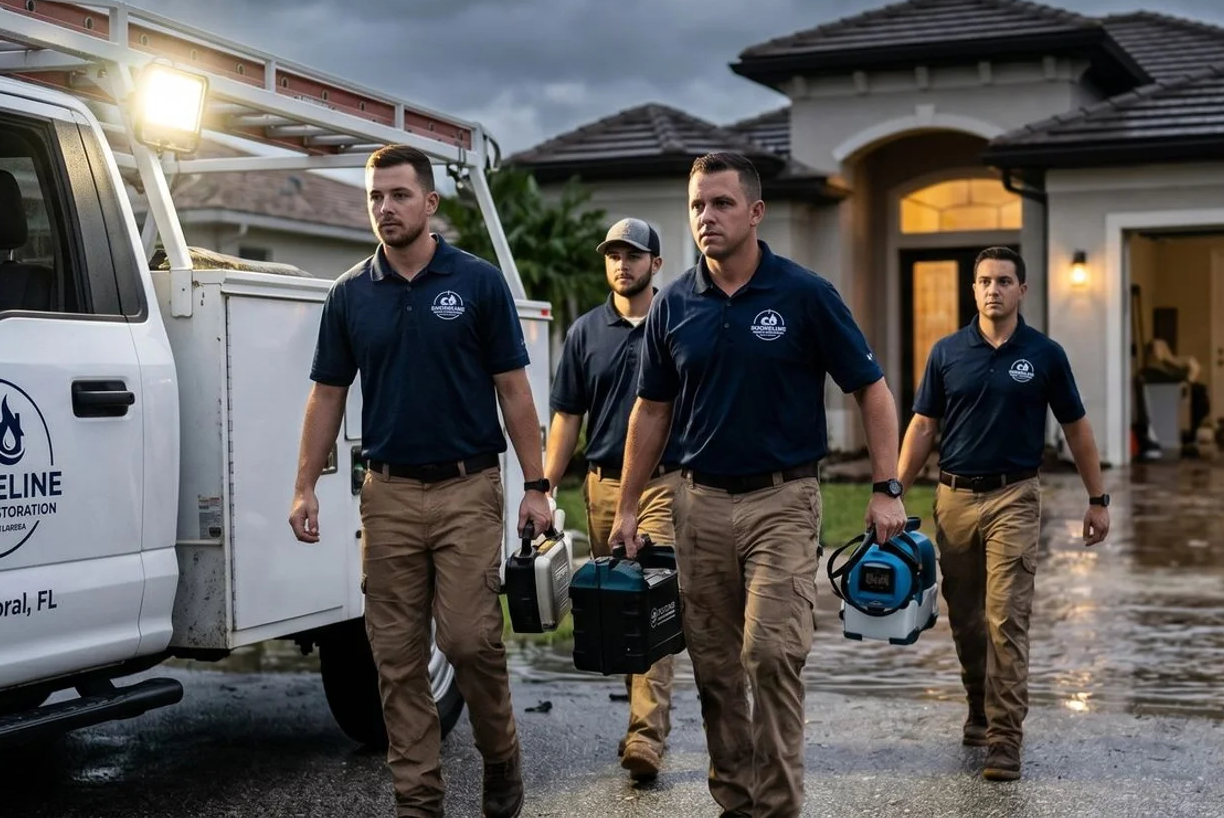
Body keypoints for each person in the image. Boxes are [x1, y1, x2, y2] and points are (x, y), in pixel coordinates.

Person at [610, 151, 906, 817]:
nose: (706, 217)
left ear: (755, 211)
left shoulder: (804, 295)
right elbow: (651, 411)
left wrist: (887, 486)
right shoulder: (675, 303)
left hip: (783, 499)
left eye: (720, 203)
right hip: (698, 502)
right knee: (715, 668)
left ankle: (777, 806)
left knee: (770, 653)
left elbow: (873, 390)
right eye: (696, 206)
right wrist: (629, 505)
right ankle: (736, 802)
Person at [287, 143, 550, 818]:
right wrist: (305, 485)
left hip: (468, 489)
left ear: (430, 203)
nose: (385, 208)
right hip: (389, 493)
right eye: (375, 196)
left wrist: (537, 485)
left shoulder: (478, 283)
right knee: (396, 658)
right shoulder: (349, 295)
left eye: (399, 195)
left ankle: (502, 757)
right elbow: (327, 395)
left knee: (467, 639)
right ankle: (419, 803)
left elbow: (514, 392)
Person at [893, 245, 1111, 783]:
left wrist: (1097, 498)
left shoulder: (1044, 354)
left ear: (1022, 290)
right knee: (966, 621)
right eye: (985, 281)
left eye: (1004, 281)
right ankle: (978, 709)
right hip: (954, 500)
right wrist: (892, 490)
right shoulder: (946, 353)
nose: (994, 289)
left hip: (1015, 496)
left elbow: (1076, 427)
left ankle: (1005, 740)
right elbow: (923, 427)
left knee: (1007, 619)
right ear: (974, 290)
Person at [541, 216, 682, 781]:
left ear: (656, 264)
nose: (621, 264)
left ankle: (647, 735)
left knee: (649, 599)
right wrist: (545, 485)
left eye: (633, 255)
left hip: (662, 486)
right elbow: (567, 417)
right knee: (619, 604)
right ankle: (637, 721)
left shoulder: (676, 323)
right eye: (613, 255)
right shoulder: (584, 332)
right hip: (600, 486)